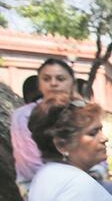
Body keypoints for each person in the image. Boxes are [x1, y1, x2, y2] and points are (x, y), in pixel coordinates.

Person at [12, 59, 76, 188]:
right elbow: (27, 161)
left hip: (82, 179)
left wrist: (95, 173)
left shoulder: (82, 111)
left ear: (72, 83)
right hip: (37, 183)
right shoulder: (23, 115)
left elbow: (97, 152)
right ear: (39, 85)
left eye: (60, 79)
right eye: (46, 79)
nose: (53, 84)